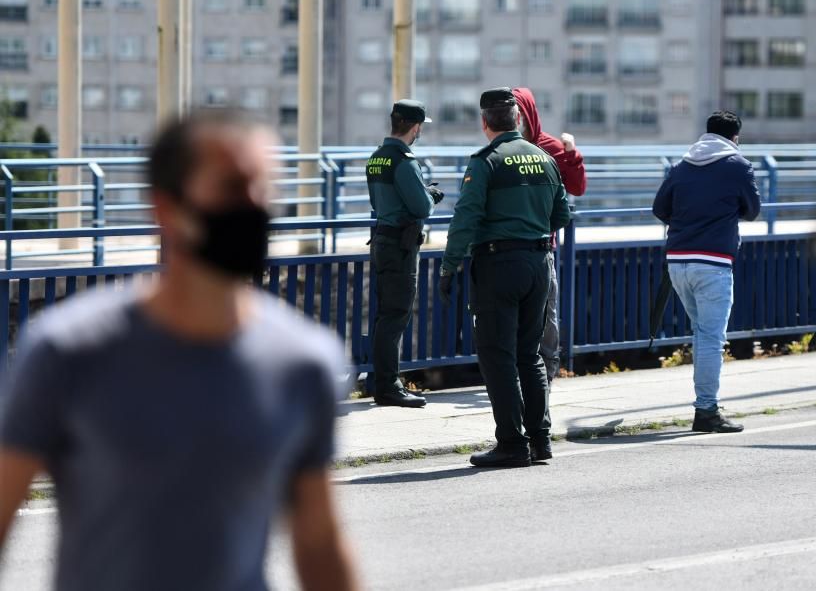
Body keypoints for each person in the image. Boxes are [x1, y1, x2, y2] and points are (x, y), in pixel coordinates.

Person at [0, 111, 360, 591]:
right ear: (167, 208)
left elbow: (318, 542)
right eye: (233, 187)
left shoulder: (307, 362)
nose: (254, 206)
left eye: (264, 188)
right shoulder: (68, 351)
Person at [439, 88, 571, 467]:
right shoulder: (544, 158)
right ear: (517, 120)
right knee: (529, 354)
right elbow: (562, 215)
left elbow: (466, 218)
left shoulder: (486, 162)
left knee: (498, 356)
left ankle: (512, 443)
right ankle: (540, 440)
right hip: (539, 263)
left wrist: (449, 268)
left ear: (485, 123)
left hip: (499, 266)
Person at [652, 110, 761, 434]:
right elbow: (753, 210)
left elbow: (660, 208)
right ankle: (706, 411)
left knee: (702, 334)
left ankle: (706, 405)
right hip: (712, 263)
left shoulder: (682, 165)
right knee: (711, 338)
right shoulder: (738, 165)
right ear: (734, 137)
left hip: (678, 263)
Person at [366, 100, 443, 408]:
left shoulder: (376, 158)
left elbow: (376, 202)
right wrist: (431, 195)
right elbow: (422, 207)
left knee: (385, 314)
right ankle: (388, 386)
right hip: (400, 246)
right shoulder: (404, 161)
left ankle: (383, 382)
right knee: (395, 316)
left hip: (382, 240)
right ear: (415, 127)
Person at [513, 88, 586, 384]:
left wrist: (571, 154)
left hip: (542, 245)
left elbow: (577, 187)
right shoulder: (502, 147)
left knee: (545, 314)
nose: (513, 119)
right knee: (512, 315)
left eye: (518, 112)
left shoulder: (548, 146)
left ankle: (547, 371)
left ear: (527, 114)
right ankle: (517, 372)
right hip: (505, 245)